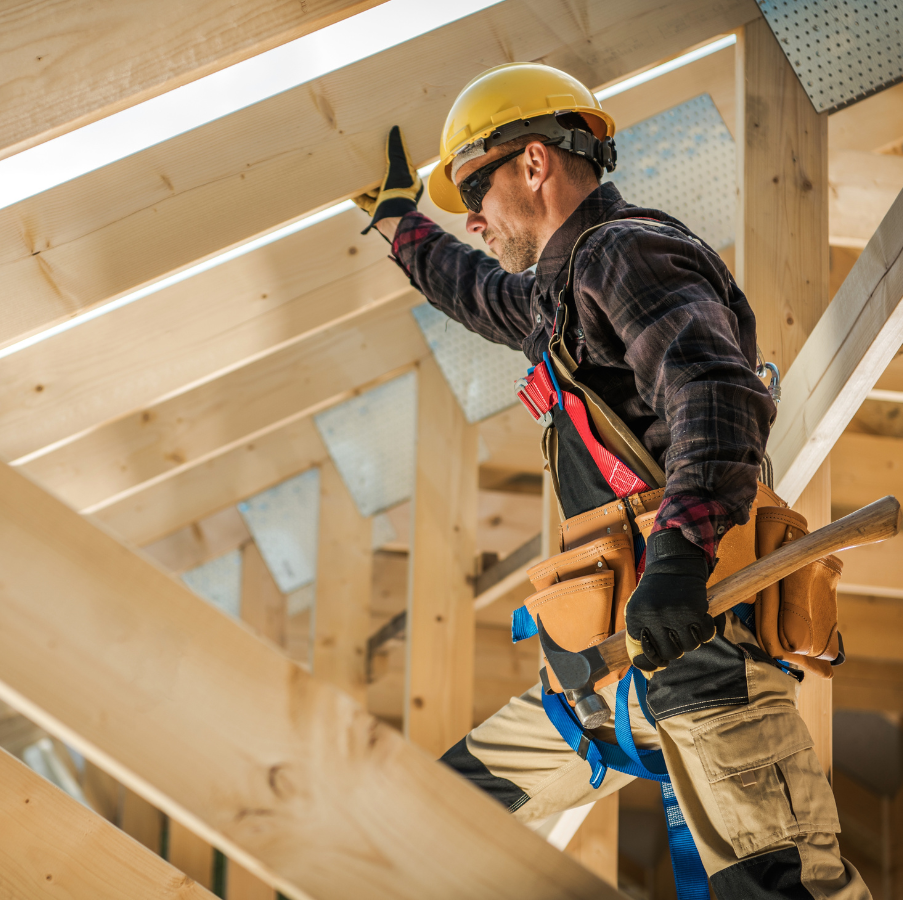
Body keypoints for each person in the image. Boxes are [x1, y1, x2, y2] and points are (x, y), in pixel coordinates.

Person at [355, 62, 866, 898]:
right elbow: (477, 293)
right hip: (607, 680)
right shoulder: (556, 296)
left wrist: (677, 559)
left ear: (534, 163)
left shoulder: (627, 253)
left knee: (783, 890)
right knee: (424, 817)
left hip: (702, 662)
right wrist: (397, 223)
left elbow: (715, 392)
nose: (474, 218)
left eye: (474, 188)